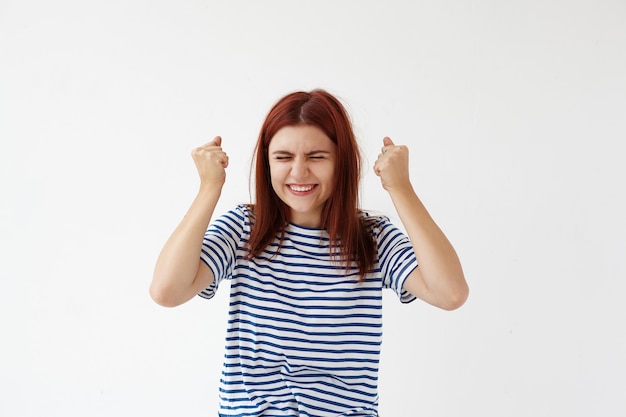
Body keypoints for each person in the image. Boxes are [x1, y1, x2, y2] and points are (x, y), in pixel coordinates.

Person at [150, 89, 468, 416]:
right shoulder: (244, 229)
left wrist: (400, 187)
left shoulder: (372, 238)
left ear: (341, 161)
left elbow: (451, 293)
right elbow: (167, 291)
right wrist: (209, 189)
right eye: (283, 157)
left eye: (316, 157)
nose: (299, 172)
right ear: (266, 163)